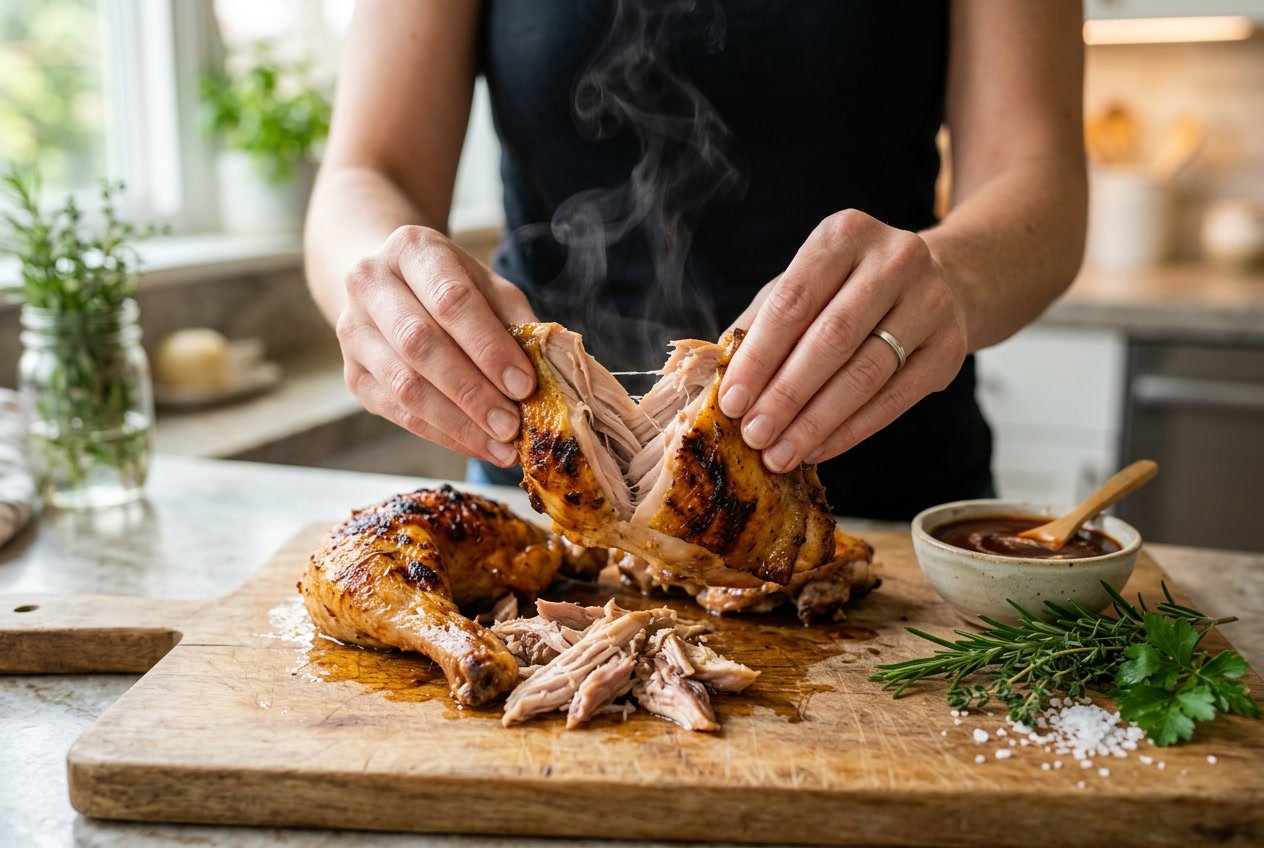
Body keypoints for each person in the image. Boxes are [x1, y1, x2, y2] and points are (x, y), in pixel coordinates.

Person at [304, 1, 1087, 521]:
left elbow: (1040, 184)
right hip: (546, 505)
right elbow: (368, 173)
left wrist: (950, 274)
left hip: (887, 501)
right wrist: (381, 276)